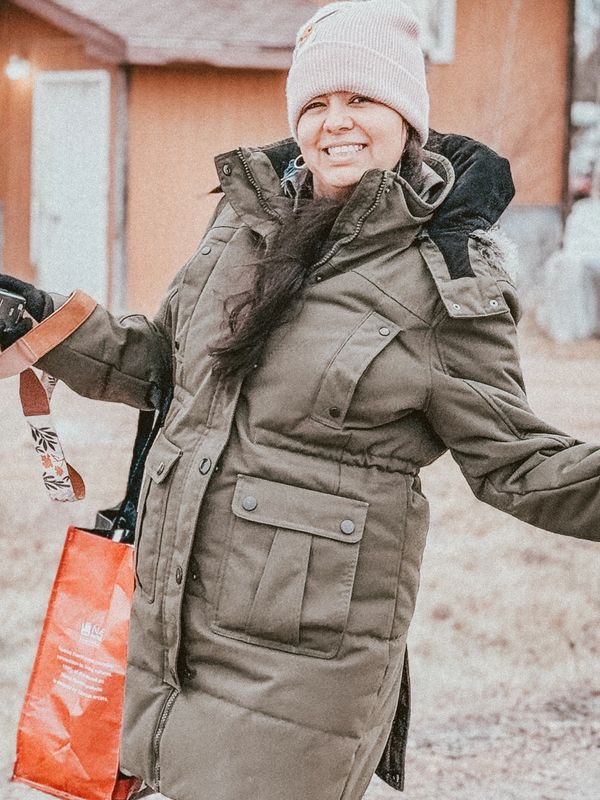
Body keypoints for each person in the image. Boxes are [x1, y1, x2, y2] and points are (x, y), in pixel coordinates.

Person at [1, 2, 598, 799]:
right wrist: (45, 324)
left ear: (407, 115)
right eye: (315, 103)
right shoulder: (244, 226)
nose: (335, 122)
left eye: (361, 98)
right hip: (169, 633)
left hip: (299, 676)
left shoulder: (443, 279)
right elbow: (164, 366)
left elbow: (518, 463)